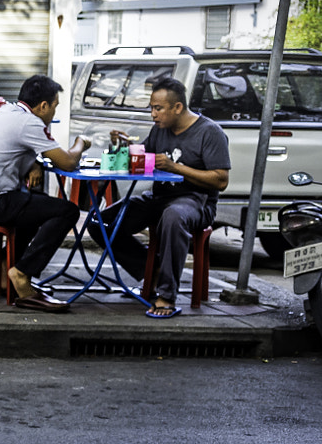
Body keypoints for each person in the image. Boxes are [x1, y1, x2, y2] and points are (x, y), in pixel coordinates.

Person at [89, 76, 230, 319]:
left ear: (177, 107)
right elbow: (143, 160)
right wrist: (122, 147)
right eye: (152, 108)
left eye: (158, 108)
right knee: (99, 222)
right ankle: (149, 271)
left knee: (173, 216)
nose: (153, 114)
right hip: (158, 198)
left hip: (196, 201)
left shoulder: (209, 132)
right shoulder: (160, 130)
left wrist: (176, 168)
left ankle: (166, 295)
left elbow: (221, 180)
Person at [0, 75, 92, 313]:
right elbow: (68, 162)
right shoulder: (30, 123)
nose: (53, 113)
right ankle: (22, 274)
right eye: (55, 106)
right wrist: (81, 142)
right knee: (67, 211)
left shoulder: (7, 112)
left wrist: (34, 163)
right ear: (44, 106)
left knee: (33, 208)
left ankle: (8, 275)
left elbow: (16, 148)